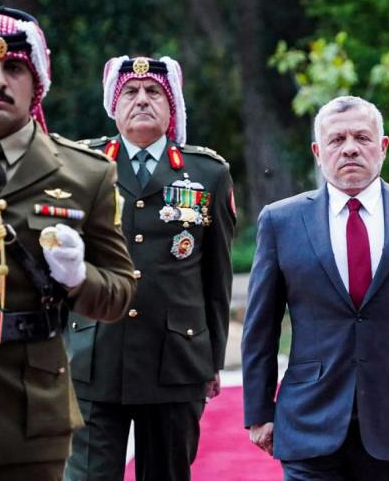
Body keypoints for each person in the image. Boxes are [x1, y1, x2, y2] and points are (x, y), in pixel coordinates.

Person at [0, 6, 136, 480]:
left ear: (36, 82)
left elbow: (120, 292)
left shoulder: (86, 174)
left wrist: (79, 278)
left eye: (14, 68)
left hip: (31, 413)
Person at [242, 95, 389, 480]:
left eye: (362, 137)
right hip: (308, 416)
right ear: (318, 152)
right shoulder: (281, 220)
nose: (349, 148)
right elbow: (260, 327)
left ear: (383, 147)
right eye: (336, 139)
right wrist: (259, 411)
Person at [64, 55, 235, 481]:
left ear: (171, 104)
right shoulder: (80, 165)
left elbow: (216, 278)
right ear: (113, 105)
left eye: (154, 91)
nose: (142, 100)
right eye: (130, 92)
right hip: (93, 357)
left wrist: (212, 359)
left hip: (174, 361)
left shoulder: (208, 173)